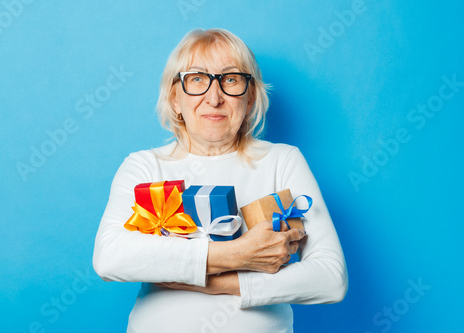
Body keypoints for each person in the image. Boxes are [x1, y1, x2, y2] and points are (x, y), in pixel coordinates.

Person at [93, 28, 347, 333]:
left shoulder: (282, 161)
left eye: (231, 80)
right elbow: (110, 257)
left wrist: (219, 283)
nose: (214, 98)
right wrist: (238, 254)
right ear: (175, 97)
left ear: (250, 97)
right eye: (197, 79)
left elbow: (331, 278)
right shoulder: (145, 166)